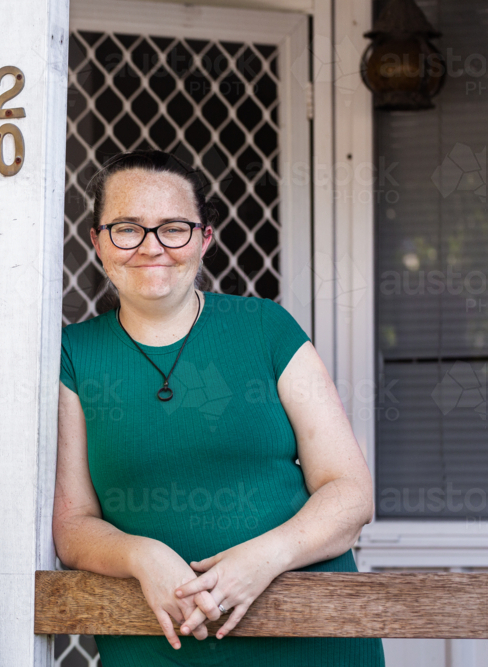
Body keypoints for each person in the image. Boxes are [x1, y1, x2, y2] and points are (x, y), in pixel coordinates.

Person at [52, 150, 385, 665]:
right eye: (127, 228)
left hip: (307, 633)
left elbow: (350, 491)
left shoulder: (267, 329)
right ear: (97, 241)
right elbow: (73, 526)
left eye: (174, 228)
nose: (151, 246)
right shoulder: (74, 355)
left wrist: (261, 560)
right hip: (159, 642)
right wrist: (143, 556)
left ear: (204, 238)